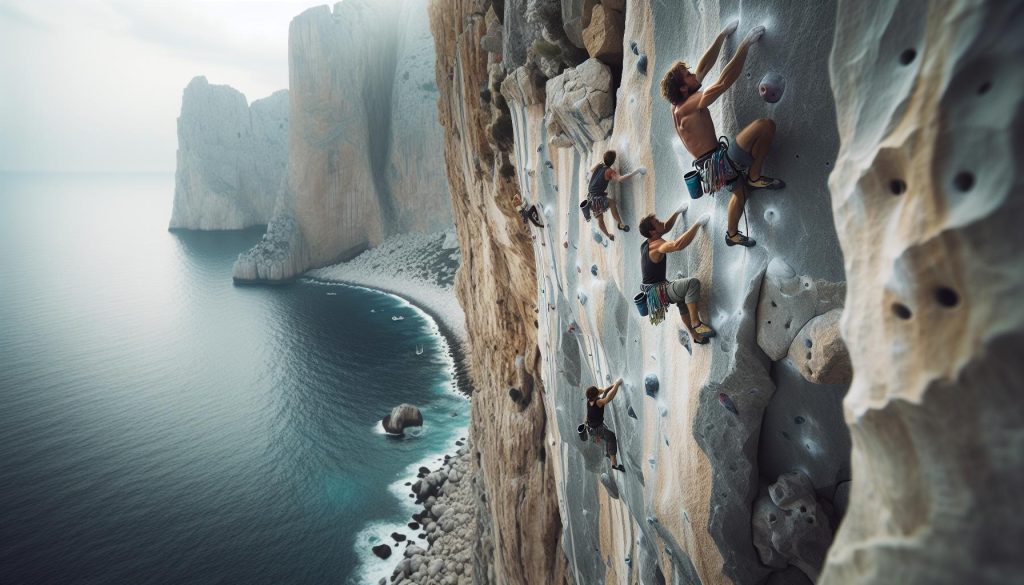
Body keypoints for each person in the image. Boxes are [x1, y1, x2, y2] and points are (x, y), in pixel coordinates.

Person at [660, 22, 784, 248]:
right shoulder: (690, 105)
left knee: (740, 193)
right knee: (765, 126)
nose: (693, 74)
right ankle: (755, 176)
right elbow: (723, 82)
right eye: (687, 75)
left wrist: (721, 36)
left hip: (711, 170)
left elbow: (703, 67)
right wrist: (745, 44)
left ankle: (732, 234)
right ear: (683, 89)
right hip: (720, 163)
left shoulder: (676, 108)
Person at [638, 210, 715, 344]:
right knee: (692, 284)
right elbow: (677, 245)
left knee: (682, 301)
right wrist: (697, 225)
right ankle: (696, 323)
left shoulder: (646, 243)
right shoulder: (657, 247)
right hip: (659, 292)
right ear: (653, 232)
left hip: (655, 291)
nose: (662, 222)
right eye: (657, 223)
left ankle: (696, 337)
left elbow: (665, 227)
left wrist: (678, 212)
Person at [585, 150, 645, 242]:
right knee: (611, 205)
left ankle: (612, 232)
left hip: (591, 198)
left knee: (603, 216)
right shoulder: (609, 171)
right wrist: (636, 171)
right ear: (613, 161)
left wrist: (600, 162)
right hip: (597, 198)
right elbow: (620, 179)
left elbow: (591, 169)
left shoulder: (600, 166)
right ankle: (618, 226)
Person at [586, 379, 625, 472]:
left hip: (591, 427)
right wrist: (617, 384)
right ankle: (614, 464)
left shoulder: (589, 401)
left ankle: (608, 452)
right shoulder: (598, 402)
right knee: (611, 437)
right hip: (597, 429)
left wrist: (612, 386)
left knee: (605, 435)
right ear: (595, 396)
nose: (599, 391)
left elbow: (603, 391)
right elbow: (609, 398)